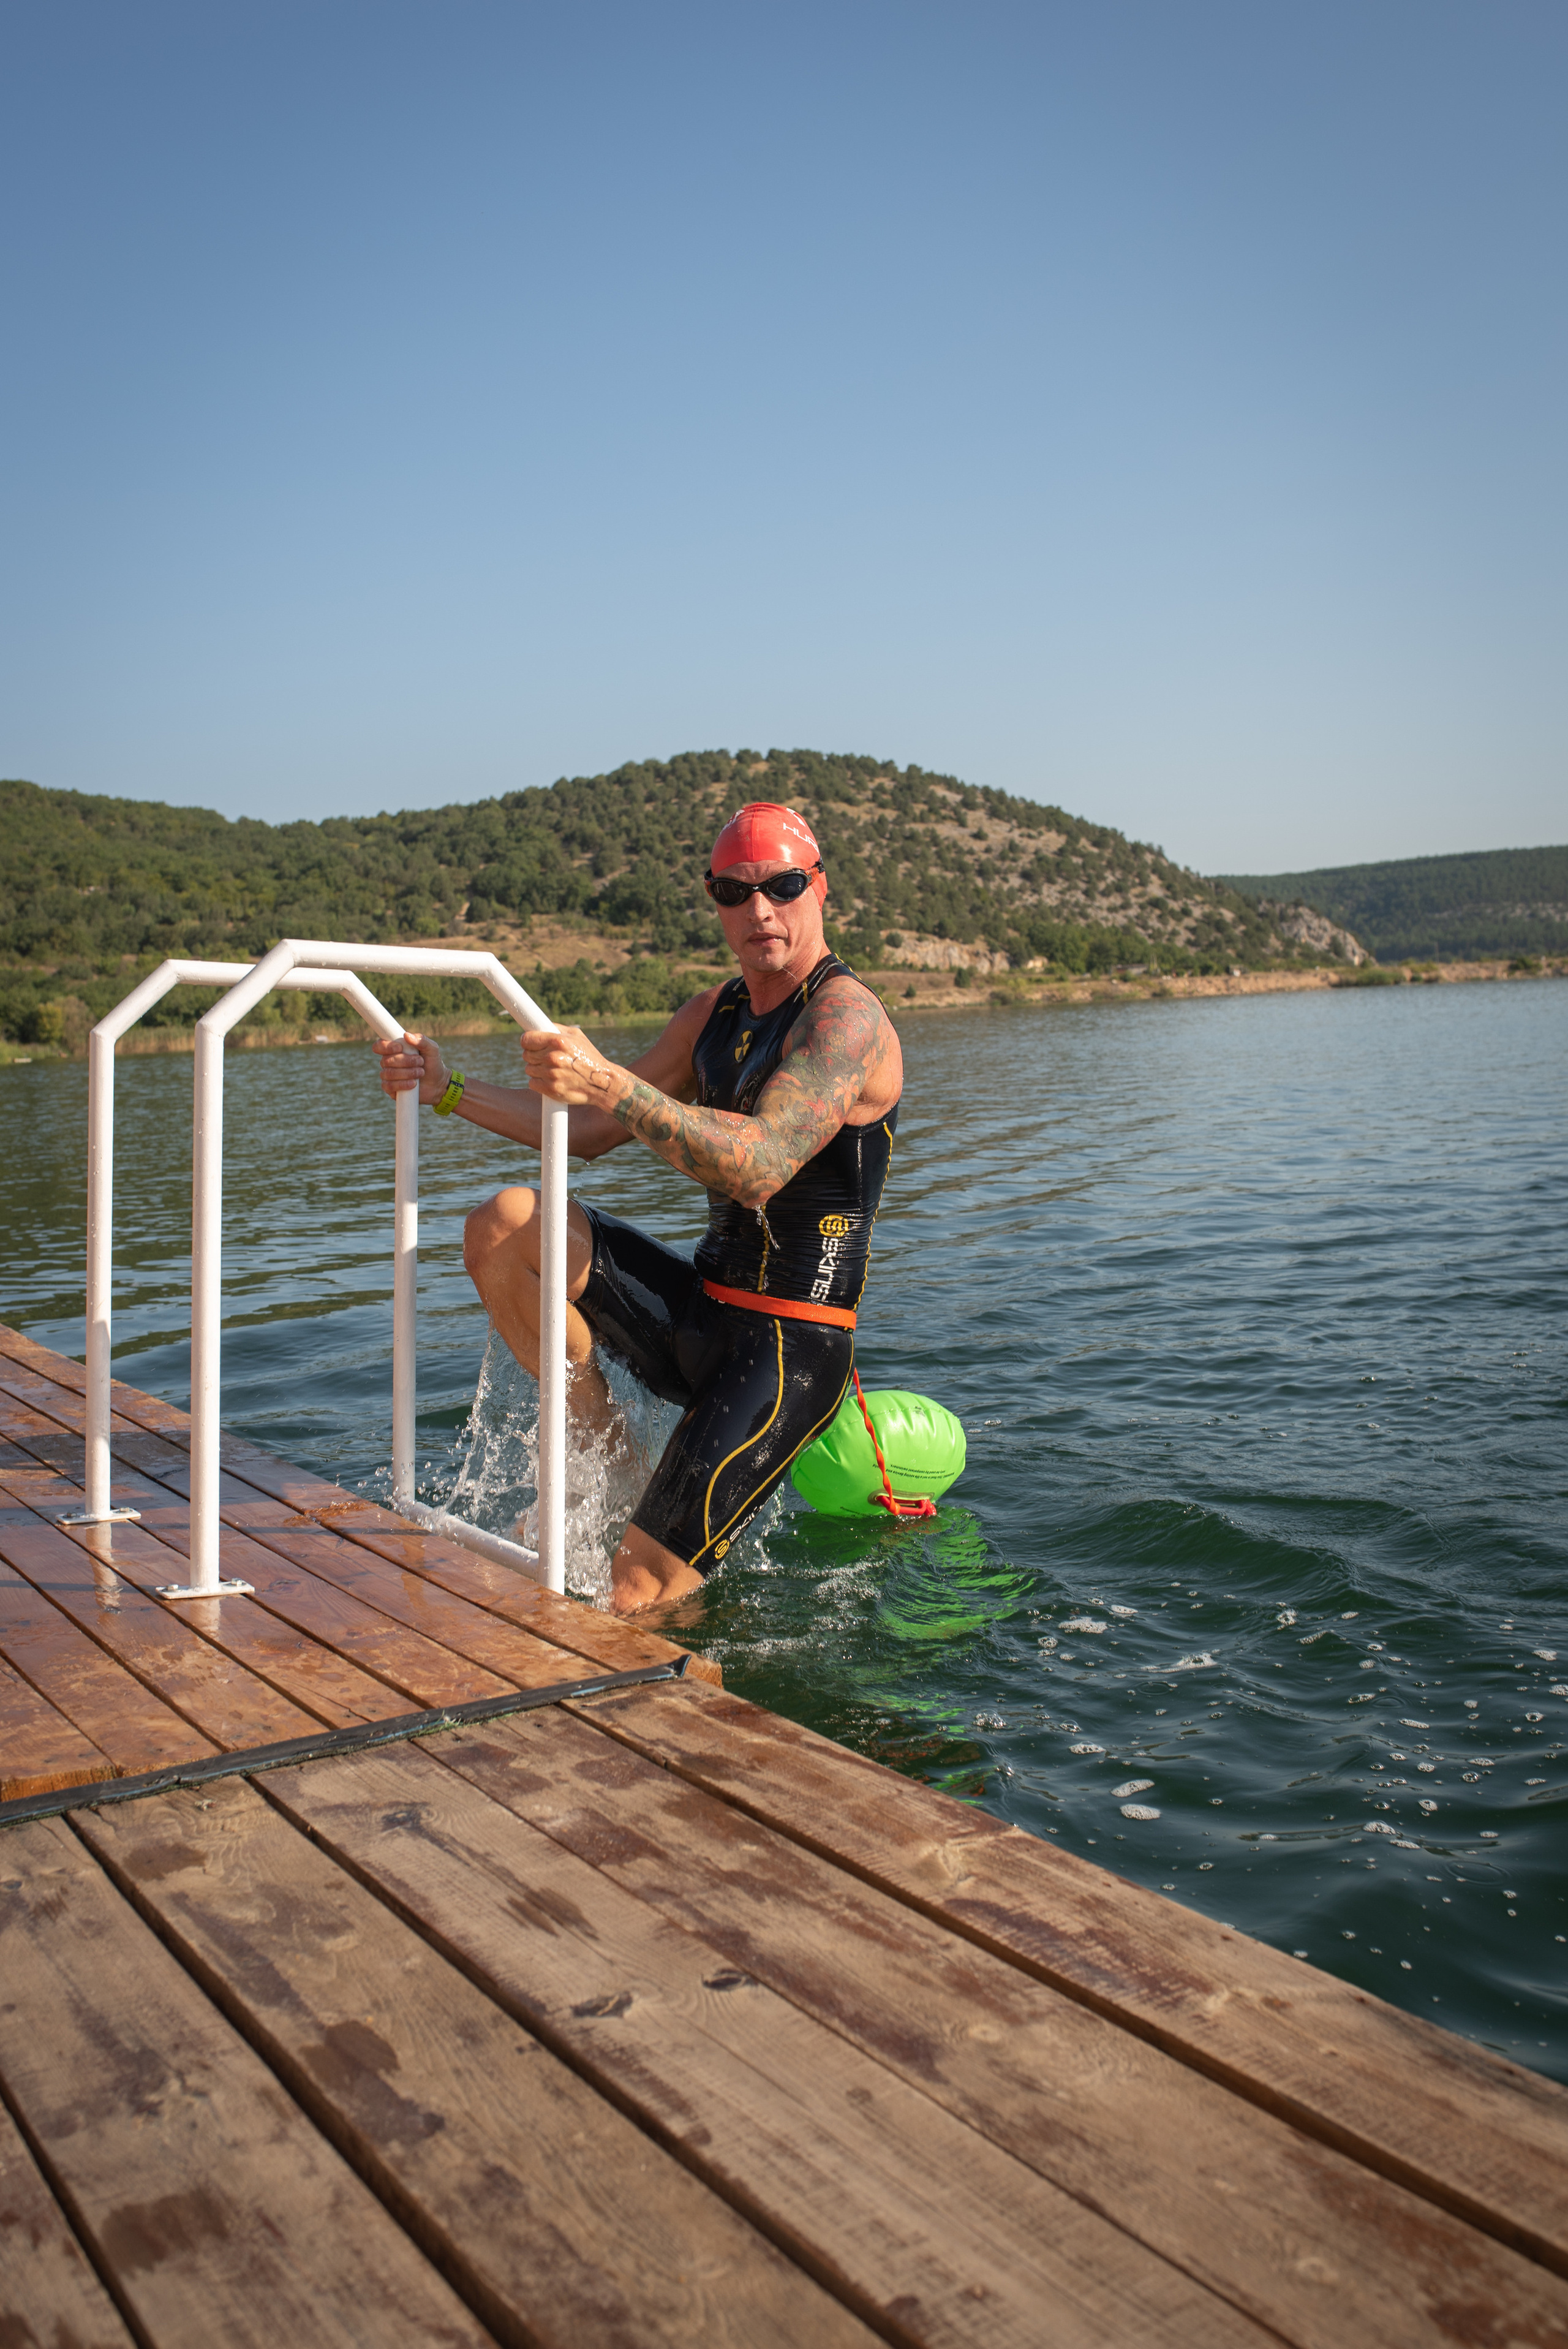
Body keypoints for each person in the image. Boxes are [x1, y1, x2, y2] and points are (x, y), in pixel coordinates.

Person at [374, 801, 903, 1615]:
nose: (759, 910)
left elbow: (760, 1163)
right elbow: (587, 1130)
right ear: (716, 902)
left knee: (635, 1590)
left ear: (820, 888)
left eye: (782, 886)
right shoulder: (713, 1015)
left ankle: (659, 1688)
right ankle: (608, 1458)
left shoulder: (847, 1021)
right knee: (506, 1226)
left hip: (787, 1349)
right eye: (735, 892)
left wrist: (612, 1079)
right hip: (699, 1310)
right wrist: (448, 1090)